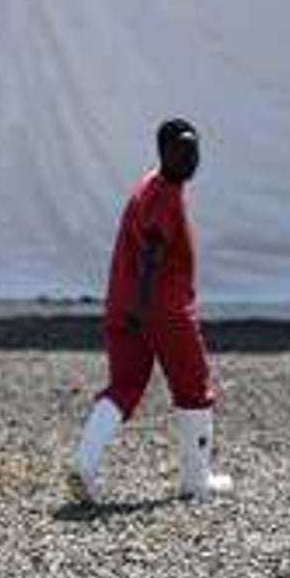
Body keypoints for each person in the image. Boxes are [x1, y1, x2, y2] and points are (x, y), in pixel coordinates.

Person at [68, 118, 230, 504]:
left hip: (122, 305)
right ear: (163, 152)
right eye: (181, 149)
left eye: (194, 149)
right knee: (194, 388)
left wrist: (132, 307)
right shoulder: (165, 196)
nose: (189, 156)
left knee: (124, 386)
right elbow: (152, 253)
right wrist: (144, 305)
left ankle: (83, 464)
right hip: (164, 311)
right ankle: (197, 482)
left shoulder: (149, 185)